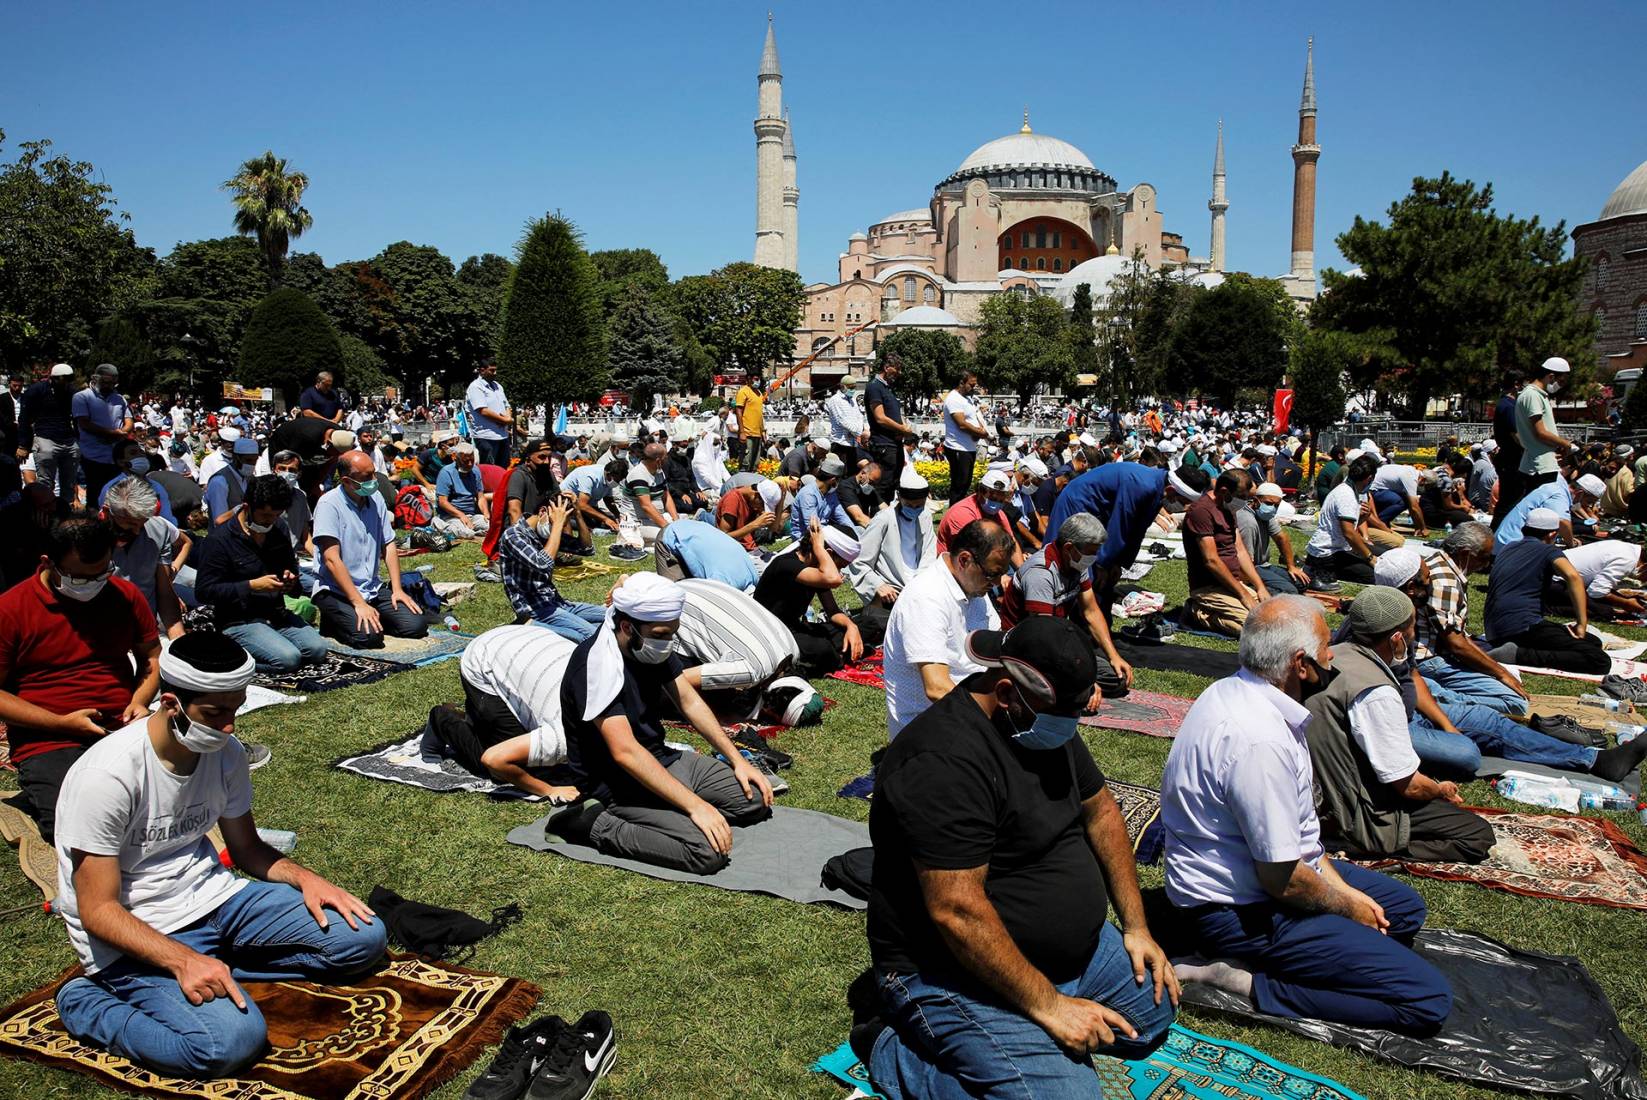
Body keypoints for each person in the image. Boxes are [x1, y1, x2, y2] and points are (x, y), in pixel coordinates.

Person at [865, 616, 1178, 1098]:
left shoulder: (1038, 721)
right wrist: (1051, 1006)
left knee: (1153, 1014)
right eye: (1066, 714)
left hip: (1066, 956)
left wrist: (1136, 927)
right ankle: (894, 1050)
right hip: (949, 972)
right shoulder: (942, 762)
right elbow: (957, 911)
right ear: (1007, 692)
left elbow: (1102, 813)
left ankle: (1025, 1038)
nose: (1073, 726)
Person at [50, 633, 386, 1078]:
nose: (229, 726)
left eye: (235, 708)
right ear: (170, 703)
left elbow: (246, 848)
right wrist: (182, 960)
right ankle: (87, 1001)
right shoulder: (106, 777)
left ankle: (219, 967)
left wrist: (307, 879)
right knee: (226, 1044)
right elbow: (97, 911)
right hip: (135, 931)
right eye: (214, 713)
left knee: (362, 938)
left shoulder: (224, 752)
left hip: (215, 900)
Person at [1161, 595, 1452, 1033]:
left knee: (1404, 910)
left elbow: (1300, 843)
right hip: (1236, 908)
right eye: (1325, 650)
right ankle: (1246, 981)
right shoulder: (1260, 741)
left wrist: (1340, 888)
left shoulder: (1237, 691)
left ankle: (1312, 953)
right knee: (1428, 1001)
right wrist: (1347, 906)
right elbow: (1284, 879)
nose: (1332, 657)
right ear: (1300, 663)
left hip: (1265, 878)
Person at [547, 574, 774, 873]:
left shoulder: (649, 645)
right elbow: (625, 752)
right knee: (706, 853)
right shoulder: (597, 665)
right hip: (618, 784)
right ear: (627, 626)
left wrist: (737, 760)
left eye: (672, 634)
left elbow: (688, 701)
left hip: (663, 758)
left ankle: (675, 806)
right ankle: (592, 823)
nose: (667, 642)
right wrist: (695, 806)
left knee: (755, 800)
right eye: (661, 634)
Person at [0, 513, 161, 843]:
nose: (94, 584)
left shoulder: (124, 595)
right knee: (79, 825)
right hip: (48, 737)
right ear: (48, 563)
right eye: (81, 578)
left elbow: (152, 657)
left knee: (169, 799)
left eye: (103, 573)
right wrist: (61, 723)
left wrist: (139, 701)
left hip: (122, 724)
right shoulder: (11, 608)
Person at [1307, 587, 1495, 863]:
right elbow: (1409, 786)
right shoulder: (1377, 691)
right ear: (1397, 638)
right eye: (1411, 630)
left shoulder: (1334, 653)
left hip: (1317, 795)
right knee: (1477, 834)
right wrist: (1439, 789)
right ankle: (1365, 846)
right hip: (1348, 810)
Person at [1373, 530, 1529, 715]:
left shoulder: (1437, 569)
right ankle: (1434, 698)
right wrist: (1501, 673)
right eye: (1485, 557)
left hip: (1423, 659)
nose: (1487, 564)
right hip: (1429, 660)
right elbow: (1456, 644)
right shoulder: (1445, 582)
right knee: (1515, 702)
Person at [882, 520, 1012, 738]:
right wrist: (989, 719)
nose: (997, 582)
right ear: (964, 560)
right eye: (992, 574)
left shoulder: (973, 586)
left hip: (965, 707)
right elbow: (936, 687)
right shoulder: (927, 596)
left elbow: (996, 651)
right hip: (928, 725)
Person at [424, 624, 584, 801]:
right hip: (484, 658)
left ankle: (477, 716)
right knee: (513, 767)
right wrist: (549, 790)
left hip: (529, 641)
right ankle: (442, 719)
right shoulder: (562, 736)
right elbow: (494, 760)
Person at [194, 475, 328, 675]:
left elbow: (291, 571)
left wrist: (290, 583)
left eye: (276, 515)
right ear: (247, 507)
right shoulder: (219, 540)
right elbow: (205, 591)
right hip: (239, 619)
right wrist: (251, 586)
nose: (270, 521)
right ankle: (232, 662)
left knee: (317, 650)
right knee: (288, 660)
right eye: (265, 515)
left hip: (275, 613)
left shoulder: (278, 529)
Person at [998, 511, 1135, 699]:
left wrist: (1113, 655)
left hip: (1057, 641)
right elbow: (1042, 637)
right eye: (1091, 551)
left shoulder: (1077, 564)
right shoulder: (1041, 573)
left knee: (1115, 679)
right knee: (1075, 691)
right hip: (1027, 649)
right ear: (1070, 547)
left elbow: (1091, 611)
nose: (1095, 557)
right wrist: (1081, 680)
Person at [312, 451, 435, 648]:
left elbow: (389, 544)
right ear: (347, 481)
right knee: (368, 638)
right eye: (366, 477)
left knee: (416, 626)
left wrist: (397, 589)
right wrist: (358, 603)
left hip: (371, 588)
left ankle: (373, 617)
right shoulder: (329, 504)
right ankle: (336, 621)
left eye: (373, 473)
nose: (373, 480)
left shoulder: (375, 498)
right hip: (337, 591)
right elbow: (331, 560)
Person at [1484, 507, 1609, 674]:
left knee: (1592, 642)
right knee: (1599, 660)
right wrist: (1581, 623)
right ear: (1551, 534)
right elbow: (1573, 577)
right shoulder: (1549, 550)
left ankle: (1514, 648)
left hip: (1494, 629)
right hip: (1524, 626)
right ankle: (1517, 654)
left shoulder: (1508, 547)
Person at [670, 576, 809, 721]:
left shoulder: (793, 650)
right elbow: (677, 678)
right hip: (674, 607)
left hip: (693, 585)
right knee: (680, 697)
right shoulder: (751, 671)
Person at [753, 519, 867, 674]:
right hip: (772, 634)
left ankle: (838, 651)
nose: (839, 571)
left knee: (862, 626)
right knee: (823, 649)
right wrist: (819, 546)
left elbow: (832, 610)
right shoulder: (786, 564)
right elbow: (833, 579)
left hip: (794, 628)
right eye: (840, 565)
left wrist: (851, 626)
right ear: (828, 553)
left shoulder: (814, 569)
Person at [496, 497, 607, 640]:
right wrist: (556, 526)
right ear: (543, 511)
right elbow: (543, 564)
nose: (561, 527)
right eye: (558, 521)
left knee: (611, 617)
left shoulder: (544, 532)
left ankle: (538, 628)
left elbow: (586, 548)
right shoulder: (513, 535)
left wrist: (578, 514)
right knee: (590, 636)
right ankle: (529, 625)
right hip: (535, 609)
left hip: (557, 603)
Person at [848, 466, 937, 642]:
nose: (914, 509)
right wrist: (878, 585)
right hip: (892, 589)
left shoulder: (925, 516)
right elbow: (860, 560)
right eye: (909, 505)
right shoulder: (884, 519)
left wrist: (920, 583)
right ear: (900, 498)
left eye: (918, 505)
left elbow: (928, 552)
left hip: (919, 585)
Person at [1181, 469, 1269, 637]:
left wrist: (1260, 587)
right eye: (1242, 497)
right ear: (1224, 491)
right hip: (1208, 587)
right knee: (1255, 629)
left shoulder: (1228, 509)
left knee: (1269, 617)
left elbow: (1240, 550)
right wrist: (1243, 595)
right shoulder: (1201, 511)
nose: (1244, 502)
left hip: (1231, 583)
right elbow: (1211, 560)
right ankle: (1197, 612)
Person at [104, 479, 185, 641]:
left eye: (141, 525)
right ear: (107, 513)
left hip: (146, 631)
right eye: (128, 524)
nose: (135, 532)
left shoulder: (158, 530)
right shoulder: (88, 539)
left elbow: (165, 593)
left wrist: (178, 638)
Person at [1500, 356, 1570, 524]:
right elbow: (1541, 432)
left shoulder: (1534, 395)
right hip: (1540, 466)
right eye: (1560, 380)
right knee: (1539, 511)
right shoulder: (1533, 395)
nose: (1560, 385)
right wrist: (1565, 443)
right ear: (1551, 376)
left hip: (1538, 461)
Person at [1304, 453, 1380, 589]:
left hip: (1338, 548)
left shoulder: (1348, 490)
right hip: (1328, 554)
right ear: (1369, 478)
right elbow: (1349, 533)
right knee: (1377, 574)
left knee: (1385, 554)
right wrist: (1369, 558)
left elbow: (1348, 527)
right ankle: (1321, 573)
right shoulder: (1346, 495)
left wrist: (1362, 517)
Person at [19, 364, 81, 511]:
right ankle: (44, 515)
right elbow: (24, 418)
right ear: (53, 378)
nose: (66, 382)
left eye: (69, 379)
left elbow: (78, 418)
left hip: (68, 440)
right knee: (45, 483)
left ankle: (65, 515)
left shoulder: (72, 392)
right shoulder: (36, 391)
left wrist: (79, 440)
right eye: (63, 379)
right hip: (45, 438)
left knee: (69, 483)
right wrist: (23, 445)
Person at [72, 364, 134, 506]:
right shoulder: (82, 397)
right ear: (96, 379)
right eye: (105, 382)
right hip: (93, 455)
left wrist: (123, 432)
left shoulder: (119, 399)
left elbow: (129, 420)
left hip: (116, 456)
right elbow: (84, 423)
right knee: (95, 495)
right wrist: (112, 433)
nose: (109, 386)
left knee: (117, 496)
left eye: (112, 383)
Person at [1237, 482, 1310, 596]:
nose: (1272, 508)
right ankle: (1253, 588)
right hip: (1252, 568)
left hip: (1264, 565)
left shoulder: (1265, 515)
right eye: (1269, 503)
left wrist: (1291, 566)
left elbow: (1281, 537)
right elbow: (1245, 561)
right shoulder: (1248, 522)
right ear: (1256, 500)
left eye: (1276, 505)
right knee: (1290, 591)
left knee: (1302, 582)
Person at [1494, 472, 1591, 553]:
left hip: (1506, 541)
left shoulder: (1558, 484)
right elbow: (1563, 522)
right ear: (1580, 493)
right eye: (1589, 502)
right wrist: (1571, 544)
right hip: (1511, 546)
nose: (1588, 506)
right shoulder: (1560, 496)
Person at [654, 517, 760, 591]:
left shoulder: (754, 577)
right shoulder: (721, 583)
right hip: (672, 534)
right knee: (675, 593)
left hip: (696, 529)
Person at [936, 467, 1019, 561]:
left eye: (1000, 501)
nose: (996, 504)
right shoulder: (962, 513)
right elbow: (975, 552)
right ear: (980, 492)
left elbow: (1011, 543)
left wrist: (1022, 571)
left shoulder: (999, 514)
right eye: (992, 499)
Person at [264, 418, 355, 502]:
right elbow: (293, 462)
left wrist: (316, 485)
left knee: (309, 487)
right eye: (335, 453)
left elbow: (329, 463)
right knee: (283, 479)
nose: (335, 456)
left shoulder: (341, 437)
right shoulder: (306, 436)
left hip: (310, 449)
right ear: (328, 443)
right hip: (284, 444)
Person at [615, 441, 677, 555]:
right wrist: (667, 528)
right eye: (665, 458)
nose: (666, 461)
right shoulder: (638, 475)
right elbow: (646, 506)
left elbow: (666, 496)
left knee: (681, 524)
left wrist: (676, 521)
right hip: (637, 522)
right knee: (666, 538)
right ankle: (638, 542)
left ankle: (649, 542)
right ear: (658, 461)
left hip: (654, 518)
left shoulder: (659, 471)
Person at [865, 355, 914, 498]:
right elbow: (880, 418)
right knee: (883, 486)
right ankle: (878, 517)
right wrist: (902, 429)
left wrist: (902, 430)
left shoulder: (888, 388)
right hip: (883, 444)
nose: (899, 374)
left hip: (894, 443)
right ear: (887, 368)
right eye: (896, 370)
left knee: (892, 484)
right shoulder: (875, 387)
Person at [941, 370, 990, 506]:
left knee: (965, 483)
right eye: (971, 385)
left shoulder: (967, 398)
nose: (974, 388)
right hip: (957, 447)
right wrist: (981, 434)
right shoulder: (953, 399)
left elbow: (974, 417)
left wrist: (981, 429)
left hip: (968, 447)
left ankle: (959, 512)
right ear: (961, 383)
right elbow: (961, 424)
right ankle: (954, 514)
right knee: (959, 485)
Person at [1564, 540, 1645, 618]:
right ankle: (1552, 609)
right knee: (1603, 611)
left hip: (1563, 571)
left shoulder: (1626, 548)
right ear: (1645, 566)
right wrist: (1625, 603)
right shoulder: (1628, 561)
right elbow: (1596, 591)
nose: (1644, 581)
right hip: (1559, 580)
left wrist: (1624, 599)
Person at [560, 457, 626, 551]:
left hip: (587, 506)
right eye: (617, 480)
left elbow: (608, 499)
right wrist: (606, 519)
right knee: (595, 523)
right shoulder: (590, 476)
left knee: (609, 522)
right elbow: (582, 505)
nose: (617, 483)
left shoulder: (608, 478)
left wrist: (617, 515)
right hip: (568, 506)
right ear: (608, 474)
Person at [788, 452, 854, 540]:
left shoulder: (830, 494)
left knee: (858, 530)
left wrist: (854, 533)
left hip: (824, 532)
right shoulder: (808, 494)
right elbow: (813, 527)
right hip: (806, 538)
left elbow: (842, 517)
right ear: (833, 480)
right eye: (839, 479)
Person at [716, 472, 785, 553]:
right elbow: (722, 538)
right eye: (763, 505)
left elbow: (773, 528)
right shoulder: (732, 499)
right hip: (736, 550)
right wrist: (755, 524)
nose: (762, 509)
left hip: (750, 547)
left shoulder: (752, 500)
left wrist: (781, 500)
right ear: (756, 495)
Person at [433, 441, 489, 538]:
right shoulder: (446, 472)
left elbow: (480, 497)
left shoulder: (475, 471)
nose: (470, 464)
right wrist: (461, 515)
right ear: (455, 458)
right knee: (467, 533)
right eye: (465, 461)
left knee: (491, 526)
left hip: (471, 516)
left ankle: (471, 530)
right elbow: (443, 502)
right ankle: (438, 524)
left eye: (472, 460)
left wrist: (486, 513)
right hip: (451, 516)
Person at [204, 436, 263, 526]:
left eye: (254, 461)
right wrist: (238, 509)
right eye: (248, 460)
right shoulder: (220, 482)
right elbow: (219, 520)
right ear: (236, 458)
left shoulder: (250, 478)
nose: (251, 465)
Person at [466, 362, 514, 468]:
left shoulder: (498, 386)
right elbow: (483, 410)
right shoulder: (475, 387)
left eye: (496, 370)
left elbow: (507, 405)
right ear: (482, 370)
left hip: (502, 435)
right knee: (489, 469)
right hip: (486, 436)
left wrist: (508, 417)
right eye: (492, 370)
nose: (495, 373)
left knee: (503, 468)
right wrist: (504, 420)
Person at [1367, 461, 1430, 536]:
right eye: (1424, 485)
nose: (1422, 487)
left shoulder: (1411, 471)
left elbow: (1412, 507)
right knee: (1400, 502)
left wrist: (1418, 527)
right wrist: (1423, 528)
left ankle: (1379, 522)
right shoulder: (1411, 478)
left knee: (1404, 500)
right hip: (1372, 490)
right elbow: (1414, 507)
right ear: (1423, 479)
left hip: (1376, 488)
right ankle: (1379, 523)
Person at [823, 377, 867, 467]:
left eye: (854, 387)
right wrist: (857, 432)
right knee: (842, 474)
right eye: (851, 387)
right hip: (840, 443)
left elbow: (859, 416)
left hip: (852, 444)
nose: (853, 390)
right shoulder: (835, 400)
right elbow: (842, 421)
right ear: (843, 387)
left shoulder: (853, 400)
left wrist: (857, 432)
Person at [733, 373, 767, 472]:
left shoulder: (759, 393)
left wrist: (763, 431)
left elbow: (759, 414)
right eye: (756, 379)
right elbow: (738, 411)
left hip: (758, 434)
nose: (758, 381)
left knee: (755, 464)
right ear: (749, 379)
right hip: (747, 433)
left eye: (759, 379)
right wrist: (742, 432)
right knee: (745, 463)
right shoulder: (743, 391)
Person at [838, 457, 884, 529]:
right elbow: (859, 517)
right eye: (871, 481)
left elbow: (884, 508)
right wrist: (879, 530)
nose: (872, 486)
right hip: (851, 527)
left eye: (875, 484)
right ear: (863, 473)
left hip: (866, 525)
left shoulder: (869, 488)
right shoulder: (846, 487)